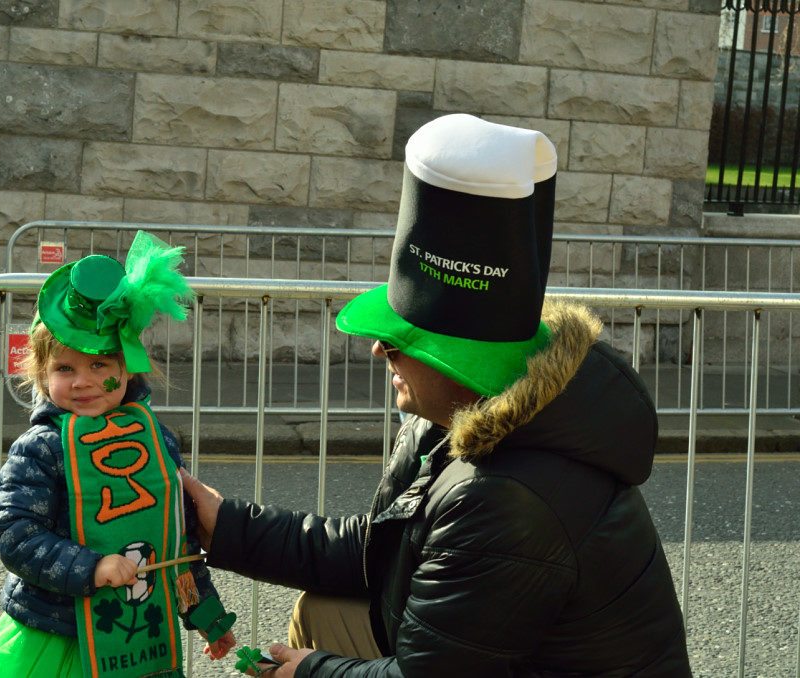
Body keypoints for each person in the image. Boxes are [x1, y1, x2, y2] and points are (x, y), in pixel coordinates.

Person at [179, 114, 693, 676]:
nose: (379, 350)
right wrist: (223, 523)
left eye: (404, 341)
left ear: (460, 362)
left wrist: (306, 672)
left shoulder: (508, 497)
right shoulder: (457, 417)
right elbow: (374, 551)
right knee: (325, 610)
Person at [0, 231, 236, 678]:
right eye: (64, 368)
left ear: (126, 369)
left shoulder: (157, 440)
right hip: (57, 632)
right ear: (41, 372)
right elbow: (15, 534)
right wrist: (90, 568)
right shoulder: (41, 448)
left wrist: (206, 615)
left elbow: (178, 539)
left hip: (139, 641)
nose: (82, 382)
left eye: (99, 366)